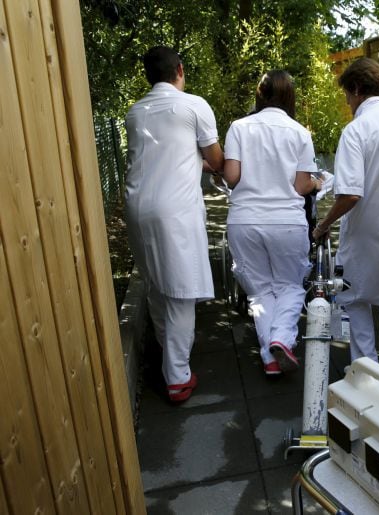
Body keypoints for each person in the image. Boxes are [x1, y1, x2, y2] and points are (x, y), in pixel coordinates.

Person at [125, 46, 224, 402]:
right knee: (181, 291)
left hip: (136, 207)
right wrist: (204, 158)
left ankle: (169, 358)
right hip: (174, 210)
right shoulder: (193, 105)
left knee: (155, 284)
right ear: (179, 69)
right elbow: (215, 157)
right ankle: (178, 377)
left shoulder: (134, 112)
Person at [313, 57, 379, 373]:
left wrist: (323, 225)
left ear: (356, 89)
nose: (348, 102)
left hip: (365, 236)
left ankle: (366, 375)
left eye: (347, 95)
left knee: (355, 302)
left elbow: (351, 193)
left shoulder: (357, 130)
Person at [222, 70, 321, 376]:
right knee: (291, 285)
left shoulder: (238, 127)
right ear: (290, 97)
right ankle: (282, 337)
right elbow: (301, 186)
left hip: (244, 221)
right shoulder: (299, 133)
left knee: (259, 292)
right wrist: (316, 183)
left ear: (259, 94)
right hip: (286, 222)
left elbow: (232, 177)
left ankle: (269, 357)